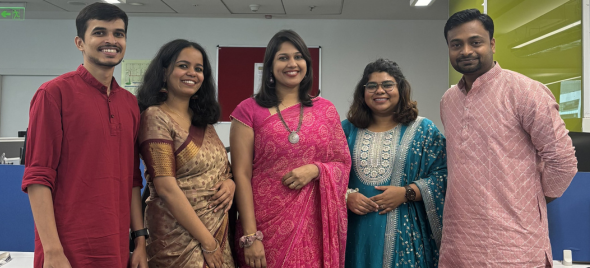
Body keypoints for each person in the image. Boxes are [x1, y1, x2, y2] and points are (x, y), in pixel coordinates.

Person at [439, 9, 578, 267]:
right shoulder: (449, 101)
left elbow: (563, 161)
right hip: (458, 243)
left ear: (492, 44)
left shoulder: (526, 92)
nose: (466, 50)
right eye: (456, 44)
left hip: (514, 245)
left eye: (475, 42)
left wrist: (529, 200)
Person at [21, 3, 148, 268]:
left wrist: (140, 242)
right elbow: (38, 178)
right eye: (100, 32)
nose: (111, 40)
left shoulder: (130, 104)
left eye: (119, 34)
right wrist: (53, 251)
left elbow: (133, 180)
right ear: (80, 42)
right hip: (67, 251)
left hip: (116, 249)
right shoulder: (53, 94)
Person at [229, 30, 351, 268]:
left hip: (314, 226)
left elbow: (342, 163)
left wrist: (316, 170)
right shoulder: (248, 110)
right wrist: (251, 235)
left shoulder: (326, 110)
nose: (292, 64)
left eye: (298, 57)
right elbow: (241, 175)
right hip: (263, 224)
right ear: (270, 66)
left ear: (307, 63)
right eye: (283, 58)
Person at [136, 39, 236, 268]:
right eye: (183, 66)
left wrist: (231, 184)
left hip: (217, 229)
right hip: (176, 238)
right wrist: (207, 242)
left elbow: (222, 168)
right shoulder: (155, 117)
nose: (192, 73)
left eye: (198, 69)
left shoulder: (202, 121)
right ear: (164, 72)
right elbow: (166, 187)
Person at [343, 59, 447, 268]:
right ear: (362, 92)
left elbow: (443, 175)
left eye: (387, 85)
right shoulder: (346, 130)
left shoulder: (423, 130)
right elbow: (329, 173)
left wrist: (407, 192)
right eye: (372, 86)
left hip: (406, 237)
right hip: (355, 234)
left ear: (400, 89)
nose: (379, 91)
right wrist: (346, 196)